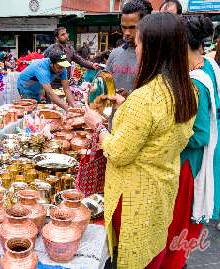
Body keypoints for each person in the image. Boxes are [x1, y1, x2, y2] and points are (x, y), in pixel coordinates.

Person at [84, 13, 197, 268]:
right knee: (152, 247)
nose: (135, 49)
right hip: (162, 186)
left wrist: (97, 125)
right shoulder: (187, 89)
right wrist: (125, 105)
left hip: (135, 193)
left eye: (138, 43)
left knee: (133, 253)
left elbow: (119, 152)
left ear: (152, 49)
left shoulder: (145, 98)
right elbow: (160, 130)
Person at [161, 16, 220, 269]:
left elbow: (200, 134)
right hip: (197, 160)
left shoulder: (195, 81)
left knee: (178, 224)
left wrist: (164, 137)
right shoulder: (209, 66)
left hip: (188, 165)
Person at [105, 0, 152, 93]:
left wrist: (129, 97)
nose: (126, 33)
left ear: (145, 25)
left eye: (132, 27)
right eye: (124, 27)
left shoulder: (154, 57)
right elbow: (106, 85)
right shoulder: (114, 54)